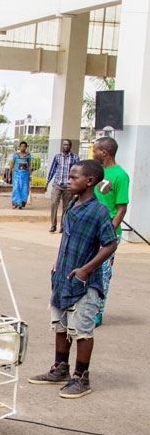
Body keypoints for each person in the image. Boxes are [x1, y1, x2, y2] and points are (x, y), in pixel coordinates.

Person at [28, 160, 117, 399]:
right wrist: (58, 263)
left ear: (89, 181)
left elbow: (110, 244)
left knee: (82, 330)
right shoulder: (72, 204)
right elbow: (66, 239)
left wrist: (86, 269)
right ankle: (60, 368)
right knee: (60, 324)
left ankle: (81, 377)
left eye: (73, 177)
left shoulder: (98, 210)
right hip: (63, 276)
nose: (69, 180)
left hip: (84, 281)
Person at [92, 136, 129, 327]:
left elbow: (121, 208)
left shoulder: (120, 175)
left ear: (104, 152)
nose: (93, 153)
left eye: (95, 150)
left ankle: (98, 310)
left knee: (103, 272)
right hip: (91, 230)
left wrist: (108, 232)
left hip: (107, 233)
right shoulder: (95, 171)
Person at [46, 139, 78, 232]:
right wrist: (47, 182)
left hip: (68, 186)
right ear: (62, 146)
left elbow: (77, 172)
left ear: (70, 146)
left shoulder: (75, 158)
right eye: (64, 145)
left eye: (68, 145)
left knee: (66, 206)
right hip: (57, 184)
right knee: (54, 203)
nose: (66, 146)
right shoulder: (57, 157)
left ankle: (63, 226)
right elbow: (52, 169)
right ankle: (53, 225)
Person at [10, 141, 31, 209]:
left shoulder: (28, 155)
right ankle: (15, 204)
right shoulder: (15, 155)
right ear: (19, 147)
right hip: (17, 175)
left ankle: (20, 205)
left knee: (24, 189)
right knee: (16, 188)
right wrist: (9, 171)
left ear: (26, 147)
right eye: (21, 146)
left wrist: (30, 175)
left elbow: (29, 165)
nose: (23, 147)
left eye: (24, 146)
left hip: (25, 175)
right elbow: (12, 163)